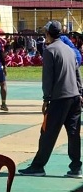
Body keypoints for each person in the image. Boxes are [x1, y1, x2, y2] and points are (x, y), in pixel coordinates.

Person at [19, 21, 82, 178]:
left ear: (47, 33)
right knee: (74, 134)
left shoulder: (49, 50)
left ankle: (38, 167)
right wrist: (80, 92)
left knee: (47, 133)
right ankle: (76, 168)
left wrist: (46, 99)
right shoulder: (69, 49)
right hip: (74, 97)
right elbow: (77, 73)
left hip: (59, 98)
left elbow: (48, 78)